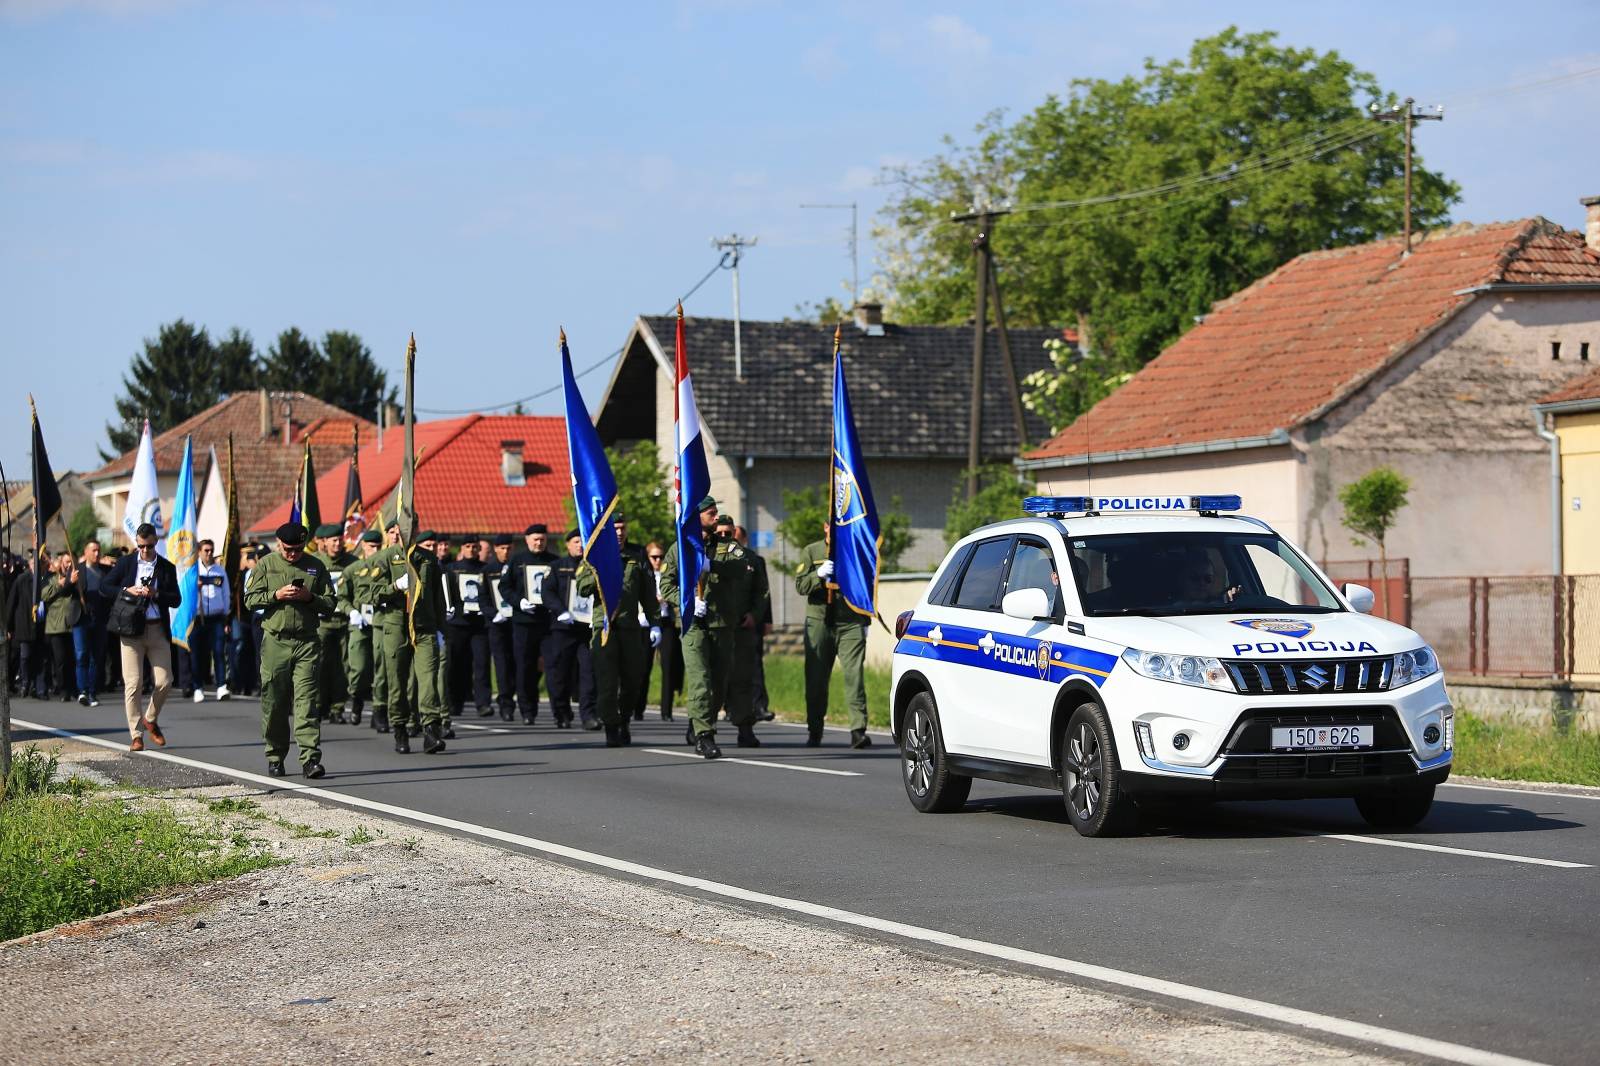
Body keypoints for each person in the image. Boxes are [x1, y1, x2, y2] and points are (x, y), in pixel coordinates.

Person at [660, 497, 764, 758]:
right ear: (697, 517)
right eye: (711, 513)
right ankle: (705, 735)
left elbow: (743, 567)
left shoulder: (728, 546)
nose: (716, 517)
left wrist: (713, 565)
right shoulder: (679, 549)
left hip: (722, 624)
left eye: (717, 512)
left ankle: (700, 723)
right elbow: (666, 586)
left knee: (718, 682)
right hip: (693, 624)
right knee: (700, 680)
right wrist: (687, 601)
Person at [243, 522, 334, 777]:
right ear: (278, 543)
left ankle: (310, 760)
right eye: (288, 549)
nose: (293, 554)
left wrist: (309, 598)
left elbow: (330, 603)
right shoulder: (266, 564)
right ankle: (275, 755)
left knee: (307, 702)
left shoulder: (315, 566)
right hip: (275, 641)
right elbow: (249, 599)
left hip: (306, 642)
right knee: (275, 702)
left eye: (297, 549)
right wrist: (276, 595)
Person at [575, 512, 660, 747]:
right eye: (616, 528)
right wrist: (600, 571)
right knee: (607, 682)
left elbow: (648, 594)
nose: (620, 533)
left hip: (631, 628)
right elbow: (582, 588)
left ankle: (624, 718)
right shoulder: (594, 555)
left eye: (623, 528)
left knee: (634, 680)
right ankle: (612, 726)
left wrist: (655, 623)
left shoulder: (637, 556)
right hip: (605, 629)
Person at [101, 523, 182, 751]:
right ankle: (136, 734)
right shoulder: (126, 563)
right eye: (140, 546)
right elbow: (104, 586)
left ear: (156, 543)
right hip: (130, 630)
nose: (144, 550)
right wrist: (127, 590)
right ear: (136, 544)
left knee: (165, 681)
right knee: (133, 683)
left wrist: (156, 594)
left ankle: (151, 719)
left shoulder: (166, 567)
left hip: (157, 629)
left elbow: (176, 599)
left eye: (148, 546)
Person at [372, 521, 448, 754]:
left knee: (428, 681)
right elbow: (371, 593)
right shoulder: (384, 558)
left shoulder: (428, 558)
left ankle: (431, 730)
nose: (403, 534)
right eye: (397, 530)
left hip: (424, 626)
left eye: (409, 529)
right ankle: (400, 728)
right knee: (397, 684)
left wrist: (441, 628)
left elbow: (437, 597)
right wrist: (395, 586)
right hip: (396, 626)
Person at [794, 521, 872, 748]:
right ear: (825, 527)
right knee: (816, 679)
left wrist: (865, 619)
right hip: (819, 621)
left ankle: (858, 730)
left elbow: (866, 585)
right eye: (832, 526)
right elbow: (800, 586)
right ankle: (814, 729)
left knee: (854, 677)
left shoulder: (856, 549)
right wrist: (818, 575)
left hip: (850, 621)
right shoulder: (812, 551)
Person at [541, 529, 595, 729]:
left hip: (586, 628)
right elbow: (547, 592)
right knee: (561, 673)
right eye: (575, 542)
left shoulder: (593, 566)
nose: (579, 545)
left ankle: (589, 715)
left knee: (589, 672)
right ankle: (561, 712)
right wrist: (560, 610)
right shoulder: (556, 567)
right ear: (567, 544)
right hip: (563, 628)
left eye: (583, 542)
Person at [505, 523, 556, 723]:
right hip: (524, 622)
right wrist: (519, 602)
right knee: (525, 666)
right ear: (527, 540)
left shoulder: (554, 561)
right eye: (535, 539)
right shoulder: (517, 561)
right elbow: (505, 587)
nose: (539, 543)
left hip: (548, 622)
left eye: (542, 539)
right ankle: (527, 710)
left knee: (552, 666)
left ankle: (558, 712)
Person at [339, 529, 386, 728]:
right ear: (364, 546)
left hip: (380, 622)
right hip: (359, 623)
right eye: (371, 546)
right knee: (358, 667)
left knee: (380, 668)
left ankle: (379, 711)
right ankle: (357, 698)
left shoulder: (386, 567)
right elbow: (341, 597)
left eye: (378, 546)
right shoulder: (353, 569)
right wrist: (351, 612)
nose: (374, 550)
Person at [728, 521, 773, 724]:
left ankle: (758, 706)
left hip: (750, 623)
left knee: (754, 666)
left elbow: (763, 593)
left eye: (737, 537)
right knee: (728, 667)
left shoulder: (755, 560)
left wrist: (763, 619)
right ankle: (730, 707)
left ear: (744, 540)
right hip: (726, 623)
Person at [308, 524, 354, 722]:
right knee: (320, 664)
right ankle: (319, 704)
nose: (337, 544)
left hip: (344, 621)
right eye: (333, 540)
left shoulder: (352, 562)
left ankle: (338, 707)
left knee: (343, 665)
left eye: (339, 540)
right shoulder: (315, 562)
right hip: (322, 623)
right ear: (324, 542)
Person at [444, 537, 493, 717]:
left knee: (481, 664)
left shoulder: (485, 570)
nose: (472, 550)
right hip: (457, 624)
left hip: (480, 625)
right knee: (456, 665)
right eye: (468, 546)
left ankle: (483, 703)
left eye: (475, 547)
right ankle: (454, 702)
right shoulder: (452, 569)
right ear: (462, 548)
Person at [640, 540, 678, 722]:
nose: (658, 561)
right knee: (642, 666)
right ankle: (638, 708)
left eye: (661, 557)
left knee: (669, 667)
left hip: (665, 621)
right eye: (654, 557)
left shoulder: (668, 575)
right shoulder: (643, 574)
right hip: (646, 623)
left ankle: (667, 710)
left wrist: (667, 598)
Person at [190, 538, 231, 702]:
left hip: (216, 618)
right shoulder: (192, 571)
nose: (209, 553)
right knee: (197, 654)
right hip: (198, 619)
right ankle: (197, 687)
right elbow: (185, 596)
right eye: (206, 550)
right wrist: (195, 587)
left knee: (219, 651)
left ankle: (222, 686)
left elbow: (226, 593)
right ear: (199, 551)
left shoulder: (220, 571)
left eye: (211, 550)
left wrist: (226, 616)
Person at [484, 533, 518, 721]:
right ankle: (505, 703)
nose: (506, 552)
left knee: (518, 663)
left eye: (509, 548)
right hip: (497, 624)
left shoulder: (517, 568)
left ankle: (518, 697)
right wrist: (493, 614)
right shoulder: (488, 570)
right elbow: (483, 597)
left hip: (517, 622)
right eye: (502, 548)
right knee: (502, 664)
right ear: (495, 549)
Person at [42, 549, 83, 703]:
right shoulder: (53, 578)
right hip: (56, 626)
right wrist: (60, 584)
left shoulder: (78, 577)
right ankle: (63, 689)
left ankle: (74, 688)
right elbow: (44, 595)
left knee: (74, 659)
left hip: (74, 623)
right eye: (66, 562)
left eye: (70, 562)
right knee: (61, 661)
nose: (68, 565)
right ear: (61, 563)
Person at [74, 539, 110, 707]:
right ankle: (82, 691)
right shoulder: (77, 571)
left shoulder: (105, 571)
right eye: (93, 550)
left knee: (96, 657)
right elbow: (65, 591)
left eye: (98, 550)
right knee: (82, 655)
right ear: (86, 552)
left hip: (99, 619)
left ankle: (92, 692)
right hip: (81, 619)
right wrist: (70, 582)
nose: (96, 554)